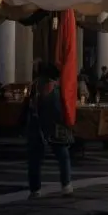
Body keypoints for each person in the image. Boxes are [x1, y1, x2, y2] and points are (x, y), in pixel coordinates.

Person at [23, 63, 73, 198]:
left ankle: (35, 189)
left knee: (35, 159)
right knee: (62, 155)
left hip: (37, 126)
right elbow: (59, 111)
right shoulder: (56, 90)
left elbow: (27, 106)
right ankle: (66, 185)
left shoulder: (34, 87)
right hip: (53, 127)